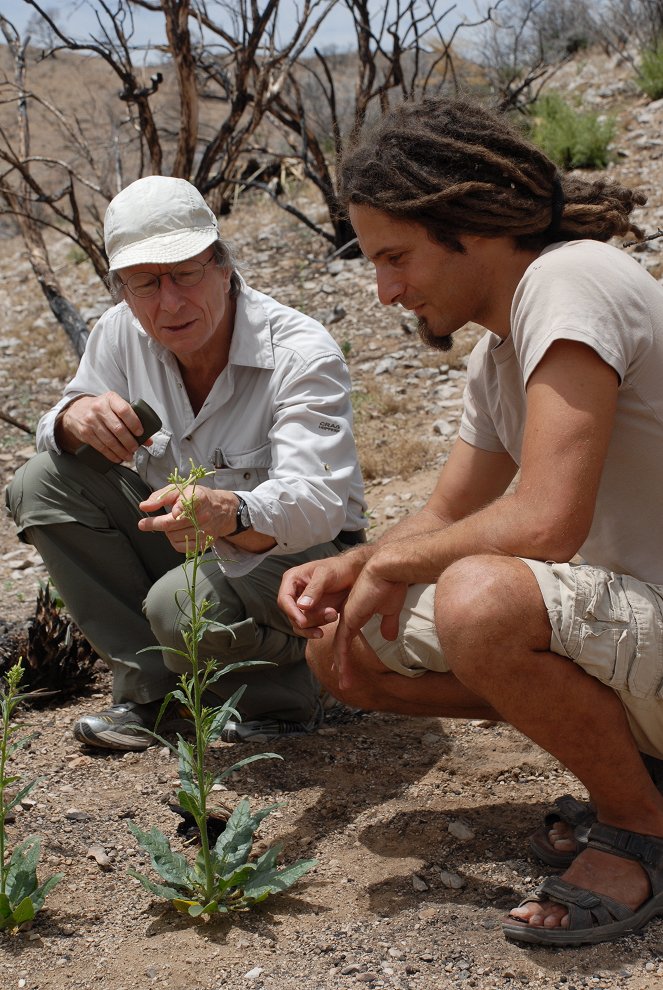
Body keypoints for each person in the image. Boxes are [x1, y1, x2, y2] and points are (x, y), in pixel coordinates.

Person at [278, 95, 663, 947]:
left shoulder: (571, 281)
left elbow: (546, 521)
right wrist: (354, 567)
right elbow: (447, 512)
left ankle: (639, 824)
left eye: (395, 257)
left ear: (471, 224)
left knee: (480, 600)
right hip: (637, 633)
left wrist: (393, 566)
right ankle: (642, 766)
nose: (383, 291)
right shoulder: (499, 354)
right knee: (346, 645)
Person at [6, 175, 366, 751]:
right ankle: (154, 698)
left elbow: (320, 507)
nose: (169, 302)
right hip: (186, 545)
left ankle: (290, 686)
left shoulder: (298, 352)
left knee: (180, 604)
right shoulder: (121, 333)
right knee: (41, 483)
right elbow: (67, 420)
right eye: (145, 283)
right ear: (121, 287)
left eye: (186, 273)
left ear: (223, 265)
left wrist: (230, 511)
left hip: (299, 557)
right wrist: (74, 418)